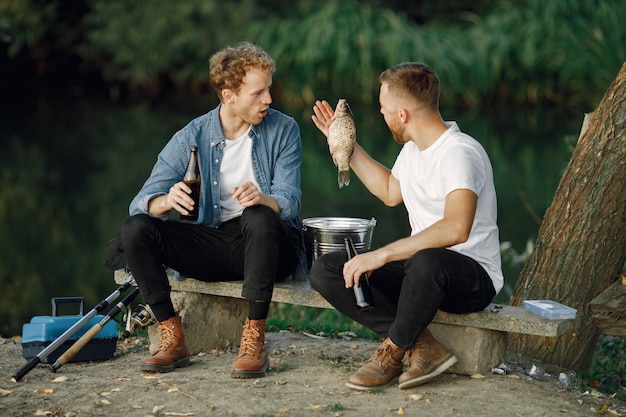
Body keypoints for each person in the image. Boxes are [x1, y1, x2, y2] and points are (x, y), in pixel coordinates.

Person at [310, 62, 503, 391]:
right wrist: (346, 146)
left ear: (402, 115)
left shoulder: (460, 153)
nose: (382, 116)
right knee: (329, 268)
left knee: (427, 259)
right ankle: (422, 346)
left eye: (384, 111)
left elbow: (456, 228)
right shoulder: (414, 151)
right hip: (421, 274)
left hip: (470, 279)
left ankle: (393, 350)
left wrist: (382, 255)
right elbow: (389, 192)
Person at [120, 41, 307, 378]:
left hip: (271, 246)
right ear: (228, 95)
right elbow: (141, 201)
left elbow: (290, 200)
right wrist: (166, 201)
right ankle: (172, 336)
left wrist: (265, 199)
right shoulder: (191, 136)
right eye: (258, 93)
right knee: (135, 228)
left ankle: (254, 341)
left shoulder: (284, 129)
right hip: (216, 243)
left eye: (269, 90)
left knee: (257, 214)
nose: (269, 100)